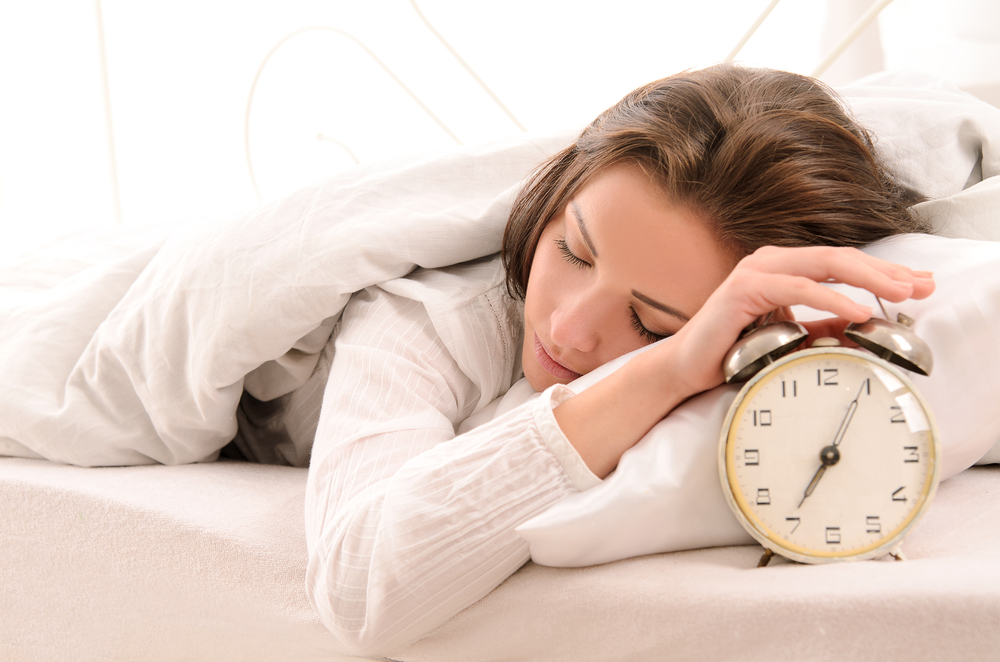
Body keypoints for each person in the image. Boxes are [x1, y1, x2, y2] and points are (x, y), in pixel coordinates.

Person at [239, 63, 935, 656]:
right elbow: (360, 589)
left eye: (651, 321)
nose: (569, 331)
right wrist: (663, 366)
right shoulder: (427, 313)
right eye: (574, 249)